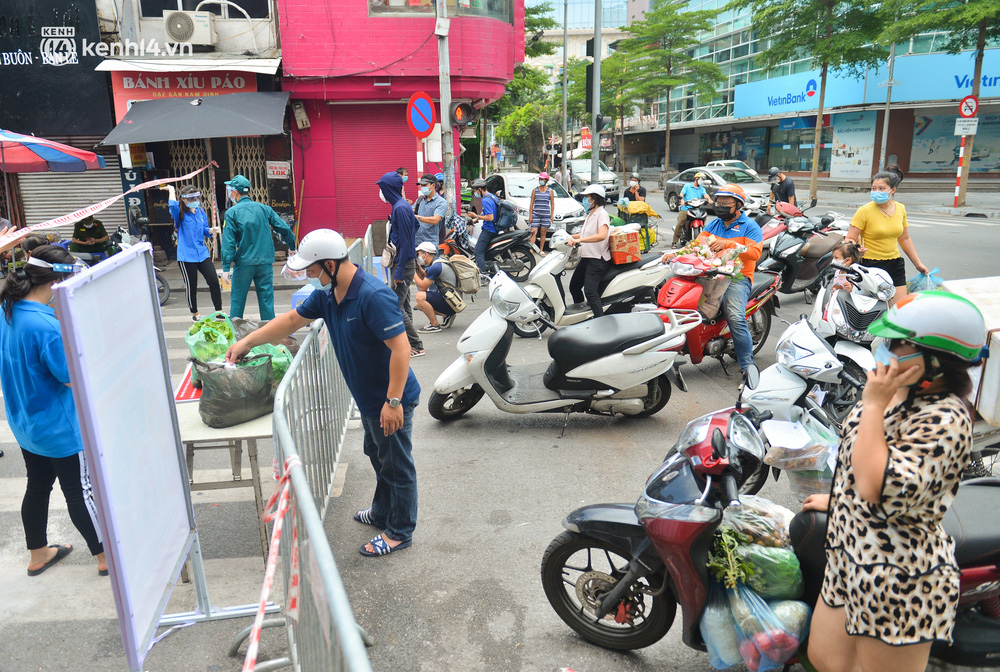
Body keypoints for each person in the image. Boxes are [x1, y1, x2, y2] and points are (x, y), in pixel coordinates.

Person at [802, 291, 987, 672]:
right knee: (825, 659)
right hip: (849, 555)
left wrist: (872, 405)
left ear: (934, 362)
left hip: (898, 576)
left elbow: (876, 485)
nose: (884, 351)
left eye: (897, 345)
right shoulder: (896, 391)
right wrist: (840, 502)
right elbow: (860, 467)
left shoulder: (946, 418)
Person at [226, 229, 420, 557]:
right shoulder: (331, 294)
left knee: (396, 465)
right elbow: (289, 321)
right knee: (378, 456)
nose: (310, 276)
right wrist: (246, 341)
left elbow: (402, 349)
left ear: (330, 264)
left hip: (390, 399)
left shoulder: (372, 296)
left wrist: (393, 402)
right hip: (371, 399)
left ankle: (399, 531)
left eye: (313, 270)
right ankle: (382, 511)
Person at [0, 245, 107, 577]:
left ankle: (38, 553)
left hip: (26, 423)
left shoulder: (8, 310)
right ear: (58, 281)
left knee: (38, 484)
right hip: (60, 428)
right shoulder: (46, 327)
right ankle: (106, 557)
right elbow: (71, 378)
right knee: (80, 492)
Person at [662, 184, 762, 374]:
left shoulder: (750, 226)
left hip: (736, 278)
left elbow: (755, 253)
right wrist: (675, 253)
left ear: (738, 205)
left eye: (726, 202)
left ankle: (747, 365)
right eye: (719, 202)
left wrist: (729, 244)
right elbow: (695, 246)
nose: (720, 205)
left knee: (735, 316)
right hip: (709, 274)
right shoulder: (714, 224)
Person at [220, 175, 297, 321]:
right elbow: (284, 228)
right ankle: (270, 336)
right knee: (266, 301)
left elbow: (228, 243)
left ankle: (237, 337)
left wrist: (225, 267)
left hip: (244, 263)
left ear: (235, 192)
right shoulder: (264, 209)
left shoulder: (232, 213)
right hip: (265, 263)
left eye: (231, 189)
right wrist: (292, 247)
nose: (230, 193)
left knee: (237, 300)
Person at [845, 169, 928, 304]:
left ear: (893, 190)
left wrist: (918, 264)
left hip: (894, 263)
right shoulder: (864, 211)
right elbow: (850, 238)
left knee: (899, 308)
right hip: (871, 266)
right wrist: (856, 248)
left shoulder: (900, 208)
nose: (876, 191)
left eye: (882, 188)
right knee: (877, 309)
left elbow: (905, 239)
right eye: (874, 188)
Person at [378, 170, 424, 358]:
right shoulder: (401, 206)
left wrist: (399, 273)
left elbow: (406, 243)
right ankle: (408, 342)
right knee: (403, 305)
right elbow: (416, 226)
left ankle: (416, 344)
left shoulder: (400, 208)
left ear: (388, 188)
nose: (381, 192)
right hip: (402, 263)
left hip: (402, 265)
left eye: (382, 188)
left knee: (394, 306)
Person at [167, 185, 223, 321]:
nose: (194, 200)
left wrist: (211, 230)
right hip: (186, 256)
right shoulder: (179, 213)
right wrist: (171, 191)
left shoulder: (200, 212)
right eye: (191, 198)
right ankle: (195, 313)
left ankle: (219, 311)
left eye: (196, 198)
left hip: (202, 253)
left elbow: (204, 229)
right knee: (191, 285)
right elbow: (173, 206)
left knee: (214, 281)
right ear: (184, 200)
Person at [567, 184, 611, 317]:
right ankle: (580, 316)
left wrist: (579, 241)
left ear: (595, 199)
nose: (585, 200)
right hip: (587, 257)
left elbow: (602, 235)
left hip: (598, 259)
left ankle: (600, 321)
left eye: (588, 197)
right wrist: (569, 237)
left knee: (590, 292)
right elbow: (585, 233)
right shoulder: (591, 214)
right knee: (574, 286)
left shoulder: (602, 214)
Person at [413, 241, 457, 333]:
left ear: (425, 254)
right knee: (419, 305)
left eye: (419, 254)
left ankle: (434, 325)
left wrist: (412, 272)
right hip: (453, 301)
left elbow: (422, 287)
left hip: (451, 302)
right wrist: (417, 267)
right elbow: (425, 276)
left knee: (420, 296)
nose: (418, 256)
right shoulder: (437, 262)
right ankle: (446, 315)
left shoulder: (435, 267)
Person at [674, 172, 713, 248]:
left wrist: (709, 199)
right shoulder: (687, 186)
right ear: (696, 179)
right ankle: (674, 242)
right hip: (686, 208)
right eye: (701, 179)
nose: (702, 181)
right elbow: (681, 194)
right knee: (680, 224)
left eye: (703, 180)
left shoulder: (702, 188)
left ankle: (707, 241)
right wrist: (682, 200)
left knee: (705, 222)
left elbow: (706, 195)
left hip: (697, 208)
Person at [468, 178, 498, 274]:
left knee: (478, 251)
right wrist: (475, 220)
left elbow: (490, 217)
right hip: (493, 227)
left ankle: (483, 274)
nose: (475, 193)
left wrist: (476, 215)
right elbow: (485, 213)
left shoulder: (485, 200)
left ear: (480, 189)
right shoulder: (492, 196)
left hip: (489, 229)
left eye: (475, 190)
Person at [413, 174, 448, 253]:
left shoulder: (441, 202)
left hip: (430, 245)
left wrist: (417, 217)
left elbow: (435, 220)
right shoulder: (420, 199)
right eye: (421, 185)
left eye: (425, 185)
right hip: (417, 242)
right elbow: (410, 211)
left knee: (430, 265)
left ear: (433, 185)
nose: (422, 187)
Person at [528, 172, 553, 253]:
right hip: (536, 214)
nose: (540, 180)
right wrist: (530, 216)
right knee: (533, 232)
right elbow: (531, 204)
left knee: (543, 232)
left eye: (542, 179)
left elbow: (552, 204)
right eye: (540, 179)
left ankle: (541, 250)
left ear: (546, 180)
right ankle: (531, 250)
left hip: (546, 215)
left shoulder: (550, 191)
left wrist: (551, 216)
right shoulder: (535, 190)